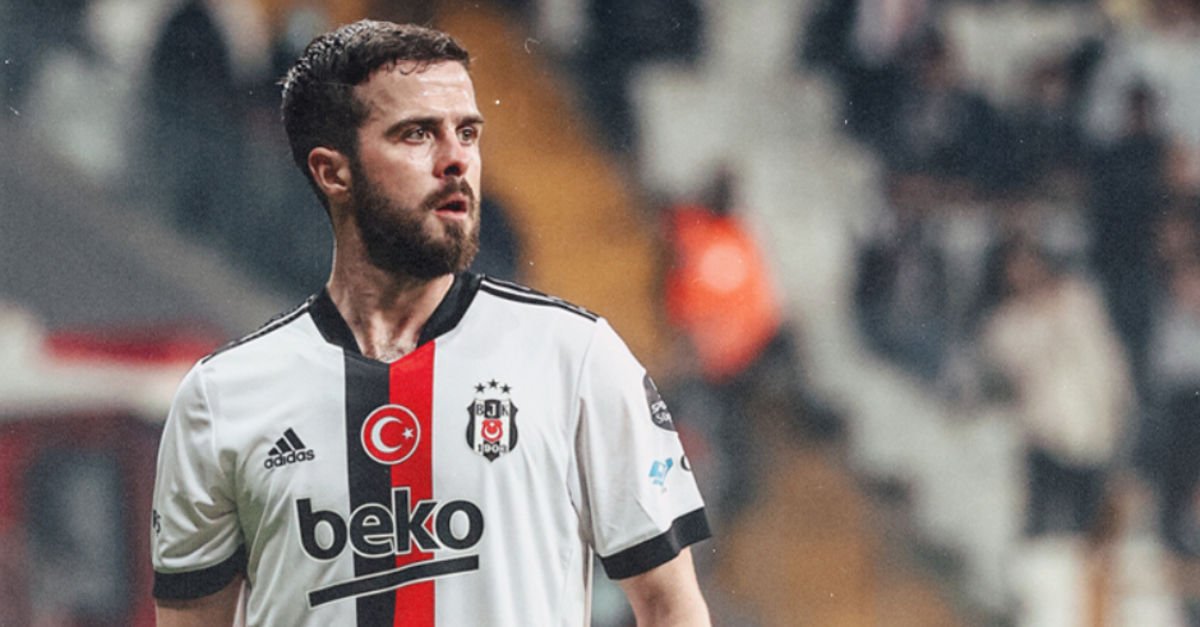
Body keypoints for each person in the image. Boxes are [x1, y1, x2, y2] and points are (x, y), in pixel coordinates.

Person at [149, 20, 711, 626]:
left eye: (467, 132)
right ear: (333, 172)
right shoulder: (222, 398)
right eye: (417, 134)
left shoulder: (576, 360)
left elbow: (670, 605)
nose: (456, 160)